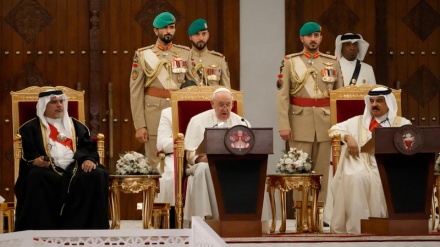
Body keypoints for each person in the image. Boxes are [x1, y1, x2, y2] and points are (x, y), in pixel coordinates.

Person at [14, 90, 109, 231]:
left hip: (75, 167)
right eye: (54, 102)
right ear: (44, 105)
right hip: (47, 169)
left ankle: (88, 229)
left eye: (61, 101)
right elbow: (28, 153)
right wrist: (35, 161)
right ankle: (42, 230)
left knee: (97, 174)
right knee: (36, 176)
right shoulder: (29, 129)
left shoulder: (77, 126)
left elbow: (87, 147)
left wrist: (88, 159)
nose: (59, 105)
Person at [328, 87, 411, 234]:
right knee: (356, 177)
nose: (374, 104)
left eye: (379, 101)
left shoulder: (402, 123)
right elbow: (334, 129)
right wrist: (348, 137)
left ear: (389, 103)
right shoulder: (358, 121)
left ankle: (397, 225)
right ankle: (358, 228)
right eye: (371, 101)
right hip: (363, 164)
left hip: (391, 166)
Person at [276, 22, 343, 204]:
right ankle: (301, 215)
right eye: (309, 36)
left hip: (325, 124)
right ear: (302, 39)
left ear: (321, 37)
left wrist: (340, 127)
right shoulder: (290, 61)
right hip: (299, 123)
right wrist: (284, 125)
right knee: (298, 170)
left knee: (322, 172)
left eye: (316, 35)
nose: (313, 39)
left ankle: (318, 214)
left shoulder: (333, 62)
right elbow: (282, 96)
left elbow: (339, 97)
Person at [130, 11, 190, 168]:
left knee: (183, 160)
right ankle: (158, 194)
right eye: (164, 28)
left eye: (171, 27)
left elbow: (194, 85)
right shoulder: (143, 55)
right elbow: (135, 91)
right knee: (156, 163)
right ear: (156, 31)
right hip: (154, 114)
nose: (168, 31)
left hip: (179, 111)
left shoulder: (185, 53)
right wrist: (139, 125)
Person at [183, 88, 249, 223]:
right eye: (221, 105)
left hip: (232, 163)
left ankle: (244, 218)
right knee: (203, 169)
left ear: (232, 104)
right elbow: (190, 154)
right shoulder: (197, 121)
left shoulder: (242, 122)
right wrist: (204, 159)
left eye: (228, 104)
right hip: (205, 163)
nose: (225, 109)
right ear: (212, 104)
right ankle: (204, 218)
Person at [155, 80, 198, 206]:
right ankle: (172, 216)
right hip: (174, 155)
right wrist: (185, 142)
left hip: (199, 155)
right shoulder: (168, 113)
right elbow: (161, 144)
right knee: (170, 176)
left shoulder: (207, 111)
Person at [186, 18, 230, 87]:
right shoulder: (184, 58)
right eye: (197, 34)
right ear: (190, 37)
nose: (201, 38)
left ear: (208, 35)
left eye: (204, 34)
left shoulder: (219, 60)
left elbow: (226, 89)